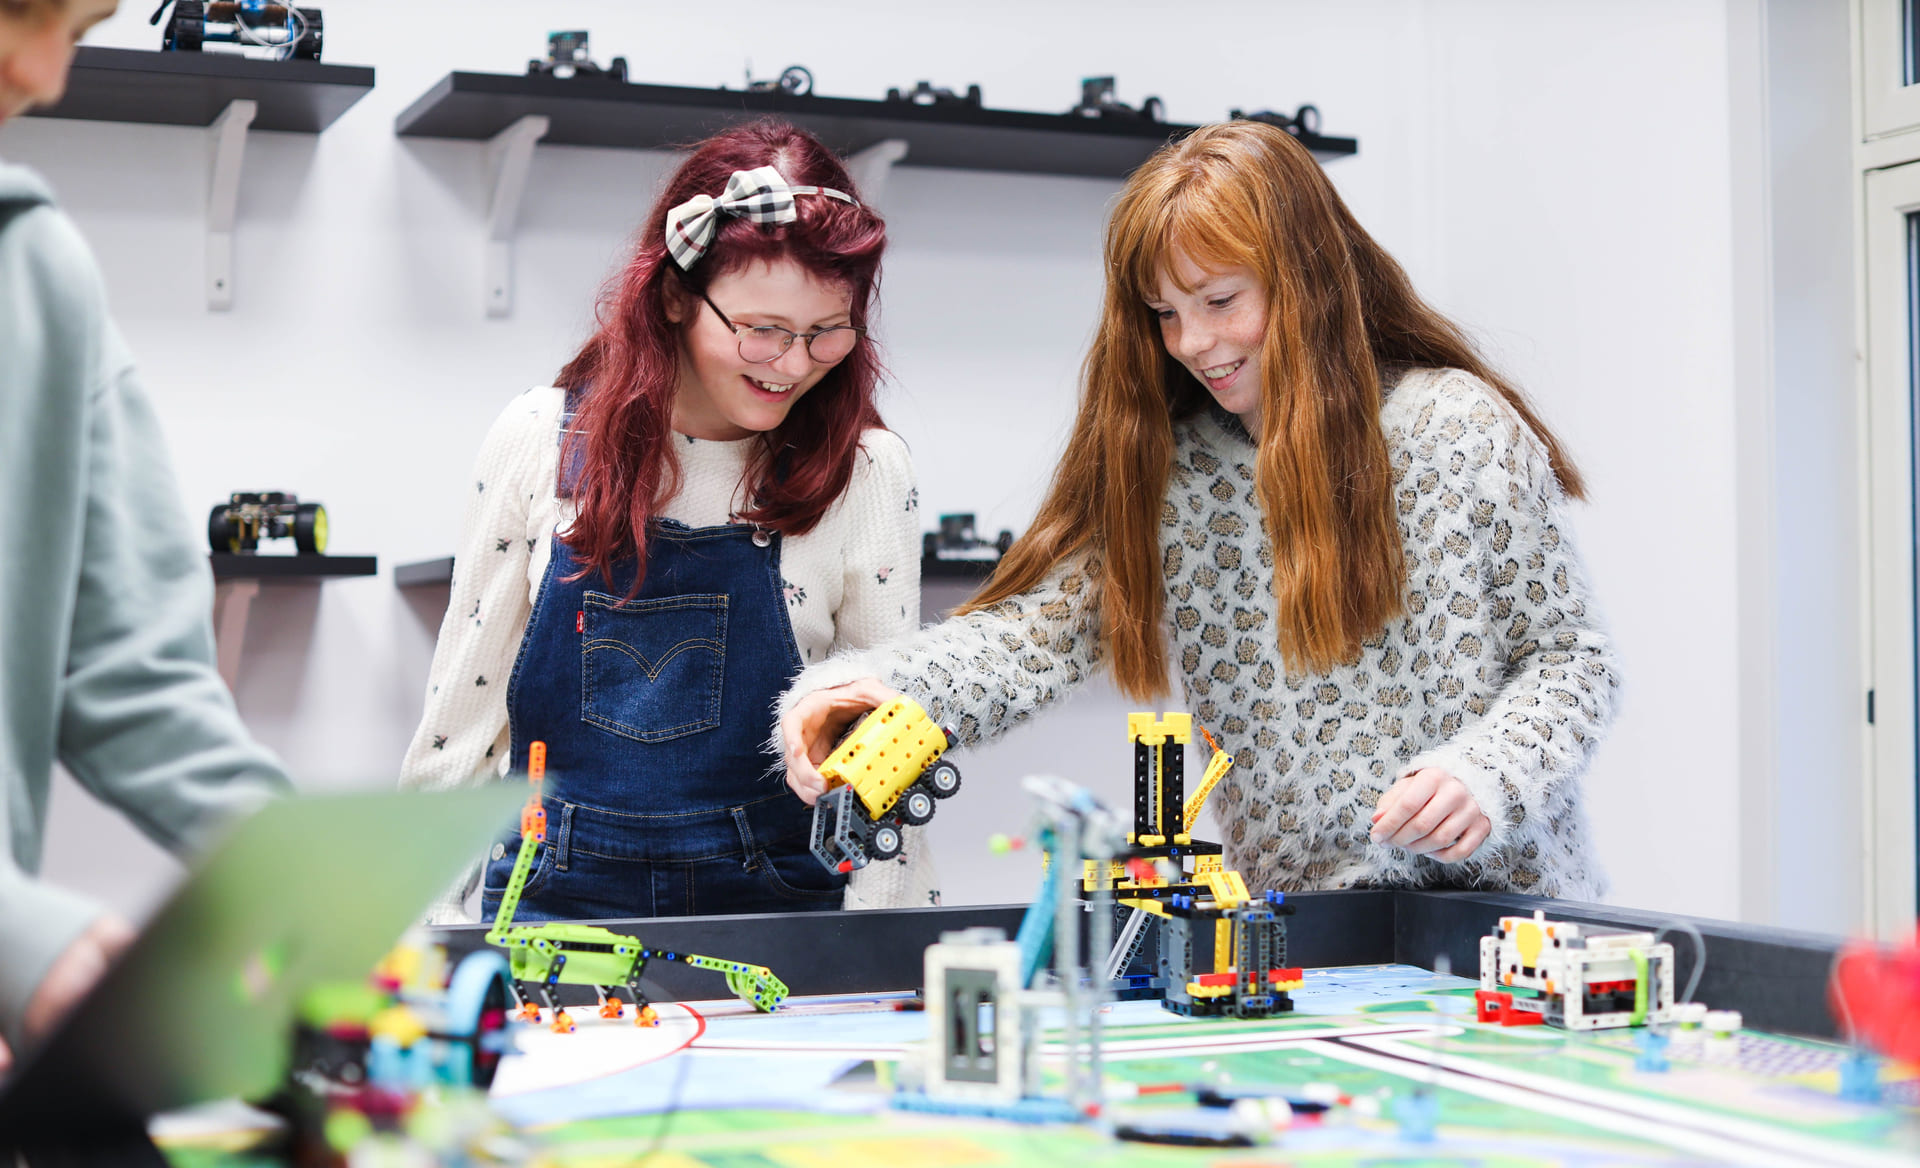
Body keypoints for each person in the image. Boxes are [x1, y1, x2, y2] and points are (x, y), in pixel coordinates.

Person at [781, 120, 1618, 900]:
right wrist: (875, 689)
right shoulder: (1176, 462)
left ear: (1310, 282)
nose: (1193, 343)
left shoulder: (1455, 425)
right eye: (1165, 314)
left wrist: (1487, 774)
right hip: (1305, 926)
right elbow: (1037, 634)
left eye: (1221, 301)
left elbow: (1573, 661)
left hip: (1506, 910)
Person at [403, 120, 936, 922]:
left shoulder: (867, 472)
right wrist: (417, 957)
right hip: (553, 910)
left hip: (784, 918)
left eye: (825, 331)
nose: (792, 365)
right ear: (678, 295)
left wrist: (892, 963)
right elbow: (458, 736)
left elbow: (885, 766)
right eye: (762, 330)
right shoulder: (539, 442)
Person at [0, 0, 291, 1068]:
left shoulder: (33, 271)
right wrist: (18, 936)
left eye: (78, 30)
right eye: (23, 11)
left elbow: (136, 677)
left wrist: (307, 888)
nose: (45, 72)